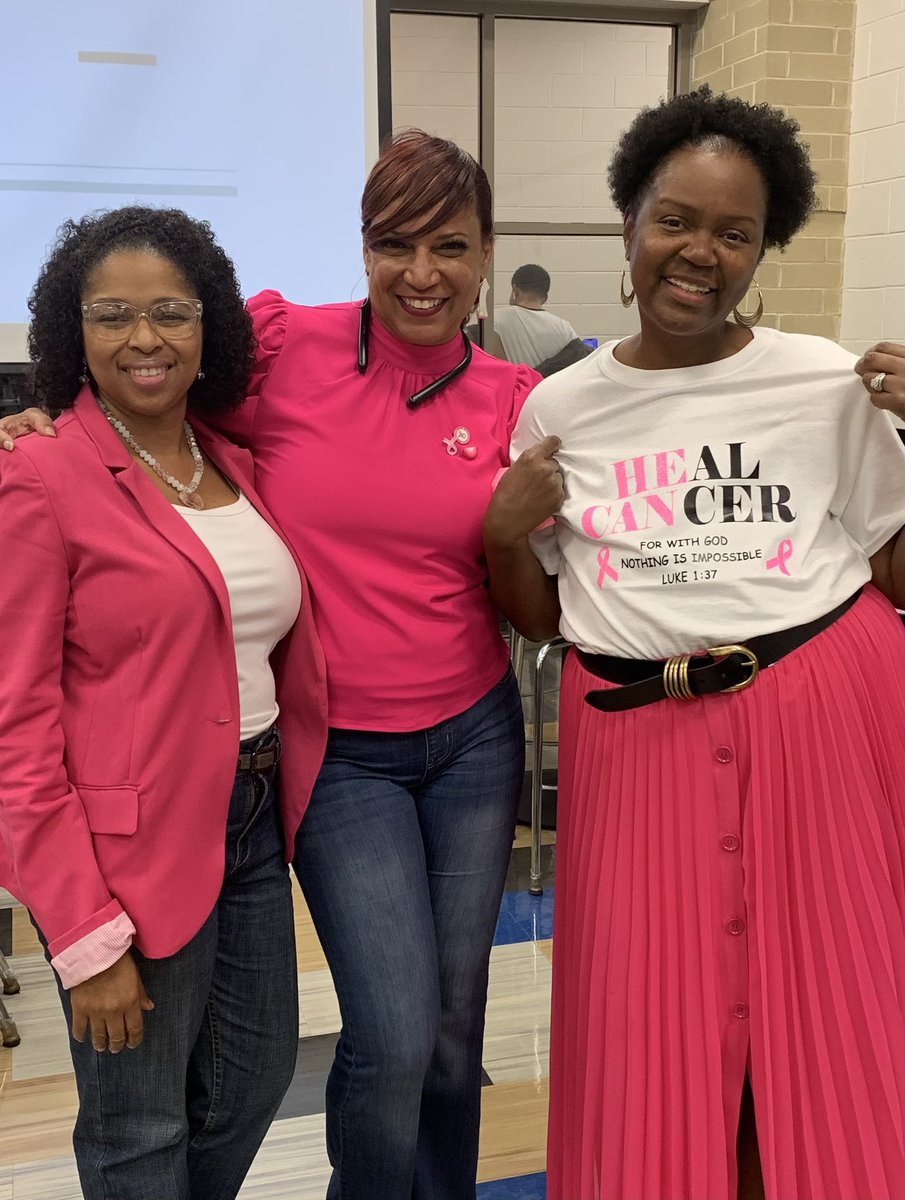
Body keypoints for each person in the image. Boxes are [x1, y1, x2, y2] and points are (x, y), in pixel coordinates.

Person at [0, 132, 537, 1200]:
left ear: (485, 255)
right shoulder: (289, 358)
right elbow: (141, 409)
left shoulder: (517, 396)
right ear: (362, 247)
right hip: (333, 758)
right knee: (385, 1035)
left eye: (450, 246)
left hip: (465, 738)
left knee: (440, 1028)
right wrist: (40, 427)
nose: (421, 273)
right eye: (393, 244)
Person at [484, 87, 905, 1200]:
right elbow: (538, 613)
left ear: (762, 249)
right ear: (627, 221)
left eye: (734, 232)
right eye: (675, 219)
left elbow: (892, 568)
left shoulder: (822, 381)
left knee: (820, 1016)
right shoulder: (556, 408)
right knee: (647, 1023)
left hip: (819, 725)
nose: (698, 253)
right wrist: (498, 532)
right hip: (635, 751)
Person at [0, 207, 328, 1200]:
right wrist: (81, 933)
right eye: (111, 315)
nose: (144, 338)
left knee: (254, 1075)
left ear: (207, 328)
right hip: (122, 856)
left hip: (251, 821)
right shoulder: (40, 472)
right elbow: (12, 726)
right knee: (139, 1123)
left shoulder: (233, 461)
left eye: (171, 313)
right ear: (72, 333)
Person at [490, 263, 589, 374]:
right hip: (551, 391)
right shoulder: (565, 328)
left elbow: (495, 368)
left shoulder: (494, 320)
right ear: (545, 298)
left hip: (514, 390)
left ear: (515, 289)